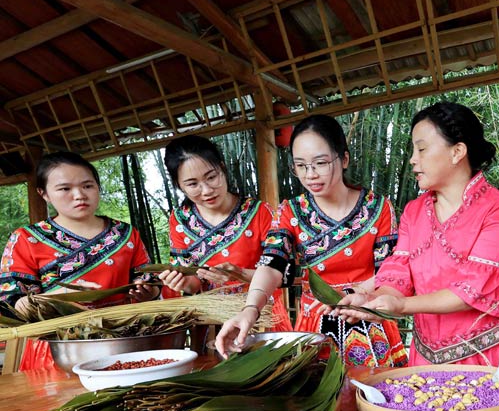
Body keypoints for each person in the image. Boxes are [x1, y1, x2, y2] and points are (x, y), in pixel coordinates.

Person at [336, 102, 499, 372]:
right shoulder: (414, 212)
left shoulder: (497, 211)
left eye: (422, 149)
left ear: (457, 151)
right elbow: (398, 274)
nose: (413, 159)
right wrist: (375, 301)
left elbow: (471, 291)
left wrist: (401, 305)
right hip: (426, 358)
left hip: (486, 360)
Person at [215, 115, 407, 370]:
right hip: (315, 327)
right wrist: (251, 309)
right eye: (301, 165)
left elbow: (390, 270)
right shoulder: (290, 212)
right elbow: (272, 263)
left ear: (344, 159)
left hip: (370, 318)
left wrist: (355, 294)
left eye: (320, 163)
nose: (310, 174)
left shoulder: (379, 208)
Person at [0, 152, 159, 370]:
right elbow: (11, 305)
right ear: (44, 193)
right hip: (57, 350)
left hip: (122, 339)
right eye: (65, 189)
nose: (79, 195)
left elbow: (148, 280)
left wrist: (150, 291)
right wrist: (57, 298)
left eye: (87, 186)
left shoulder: (125, 233)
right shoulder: (26, 239)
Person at [158, 135, 291, 331]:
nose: (206, 190)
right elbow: (193, 283)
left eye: (212, 177)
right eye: (193, 184)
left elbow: (285, 275)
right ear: (179, 185)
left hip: (262, 318)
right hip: (212, 322)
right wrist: (183, 282)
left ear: (222, 168)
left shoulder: (259, 212)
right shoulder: (179, 220)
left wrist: (240, 275)